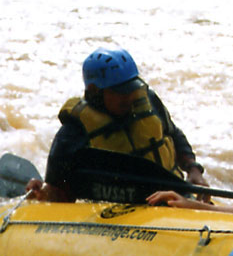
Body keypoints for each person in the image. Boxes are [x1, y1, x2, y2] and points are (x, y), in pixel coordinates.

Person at [25, 47, 207, 202]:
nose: (129, 97)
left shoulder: (148, 102)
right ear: (94, 91)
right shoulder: (72, 134)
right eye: (121, 92)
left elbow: (174, 134)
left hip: (173, 196)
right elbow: (59, 192)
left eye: (132, 88)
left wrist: (193, 169)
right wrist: (42, 192)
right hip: (122, 213)